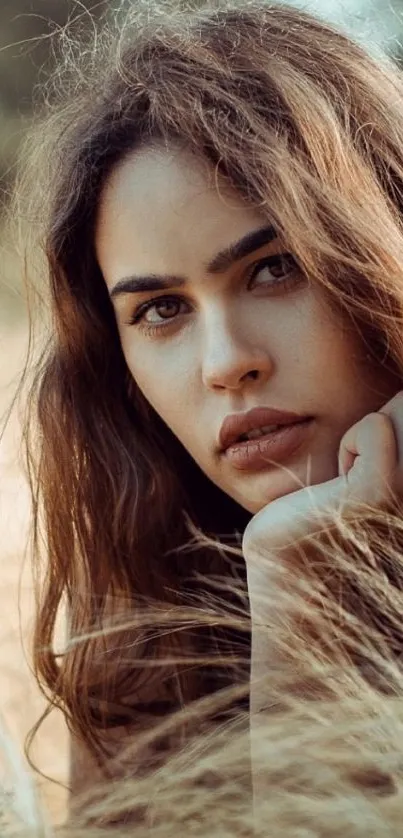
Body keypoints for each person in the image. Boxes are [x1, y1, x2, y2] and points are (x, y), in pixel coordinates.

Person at [14, 0, 403, 823]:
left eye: (274, 268)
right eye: (161, 311)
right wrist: (298, 586)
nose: (227, 363)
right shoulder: (149, 629)